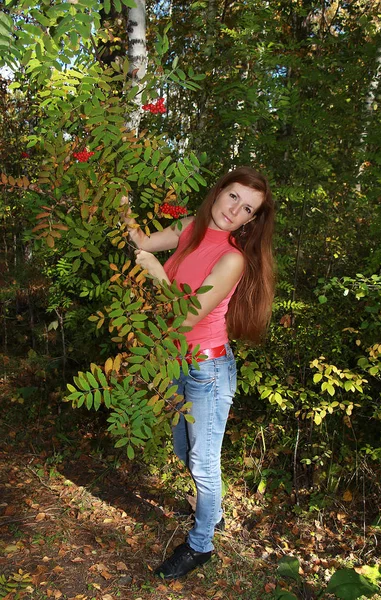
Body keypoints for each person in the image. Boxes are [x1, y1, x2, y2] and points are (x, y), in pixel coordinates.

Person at [120, 166, 275, 579]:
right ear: (219, 191)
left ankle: (201, 543)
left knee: (204, 462)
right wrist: (120, 204)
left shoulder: (232, 259)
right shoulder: (189, 225)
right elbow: (141, 240)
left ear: (250, 220)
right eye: (233, 197)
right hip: (174, 362)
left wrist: (157, 275)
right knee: (182, 448)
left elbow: (185, 319)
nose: (235, 210)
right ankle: (214, 511)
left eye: (247, 209)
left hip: (207, 368)